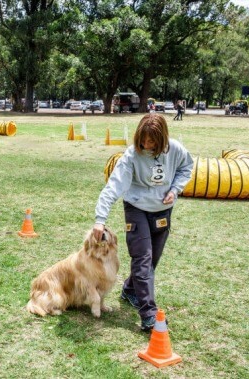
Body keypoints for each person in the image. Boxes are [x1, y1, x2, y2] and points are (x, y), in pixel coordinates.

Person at [92, 113, 193, 331]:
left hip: (162, 211)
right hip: (137, 208)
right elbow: (114, 186)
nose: (147, 144)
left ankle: (130, 290)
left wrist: (175, 190)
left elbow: (187, 168)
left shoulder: (175, 149)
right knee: (143, 258)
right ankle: (148, 313)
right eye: (143, 140)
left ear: (162, 138)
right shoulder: (131, 155)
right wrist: (100, 219)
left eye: (152, 141)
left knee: (151, 260)